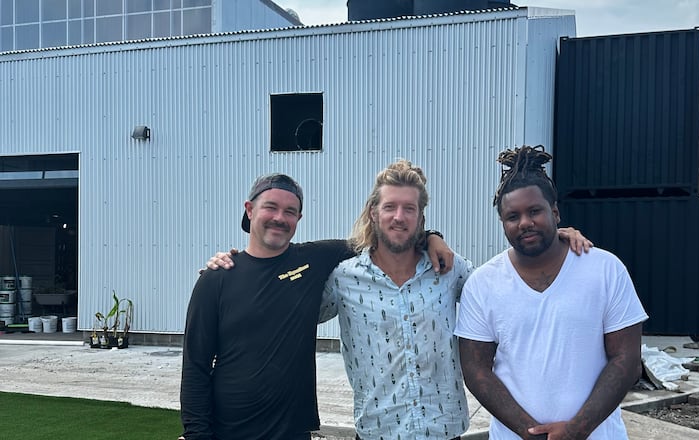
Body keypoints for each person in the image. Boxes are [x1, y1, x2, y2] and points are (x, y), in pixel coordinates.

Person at [179, 173, 453, 440]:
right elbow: (195, 366)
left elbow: (387, 240)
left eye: (290, 211)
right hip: (229, 430)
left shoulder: (315, 260)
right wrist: (196, 434)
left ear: (299, 218)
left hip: (294, 431)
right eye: (270, 207)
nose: (279, 218)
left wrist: (430, 237)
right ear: (249, 210)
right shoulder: (217, 279)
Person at [454, 145, 648, 440]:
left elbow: (627, 360)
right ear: (503, 223)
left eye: (534, 211)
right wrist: (530, 433)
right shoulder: (482, 284)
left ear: (555, 212)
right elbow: (476, 372)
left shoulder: (605, 270)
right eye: (512, 216)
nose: (525, 223)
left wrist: (576, 430)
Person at [318, 160, 474, 439]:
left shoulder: (450, 270)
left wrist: (552, 245)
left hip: (444, 430)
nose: (399, 217)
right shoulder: (343, 279)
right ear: (374, 213)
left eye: (409, 208)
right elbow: (290, 309)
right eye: (390, 207)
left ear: (421, 219)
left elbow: (503, 291)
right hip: (378, 431)